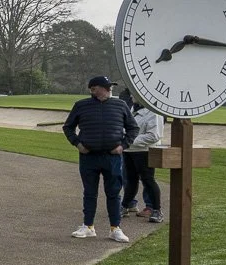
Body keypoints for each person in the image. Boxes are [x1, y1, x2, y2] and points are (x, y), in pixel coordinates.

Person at [63, 74, 138, 241]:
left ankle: (115, 228)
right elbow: (68, 127)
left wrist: (123, 146)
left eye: (109, 86)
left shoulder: (120, 105)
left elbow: (133, 128)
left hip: (112, 157)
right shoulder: (81, 106)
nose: (109, 89)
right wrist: (77, 143)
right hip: (89, 156)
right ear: (93, 89)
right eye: (105, 87)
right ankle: (88, 226)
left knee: (113, 193)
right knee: (90, 192)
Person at [120, 89, 164, 224]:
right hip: (129, 151)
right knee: (130, 180)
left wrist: (129, 140)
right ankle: (125, 206)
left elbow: (154, 135)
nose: (132, 96)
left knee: (148, 180)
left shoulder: (154, 113)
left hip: (144, 151)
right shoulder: (133, 109)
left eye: (135, 94)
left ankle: (156, 210)